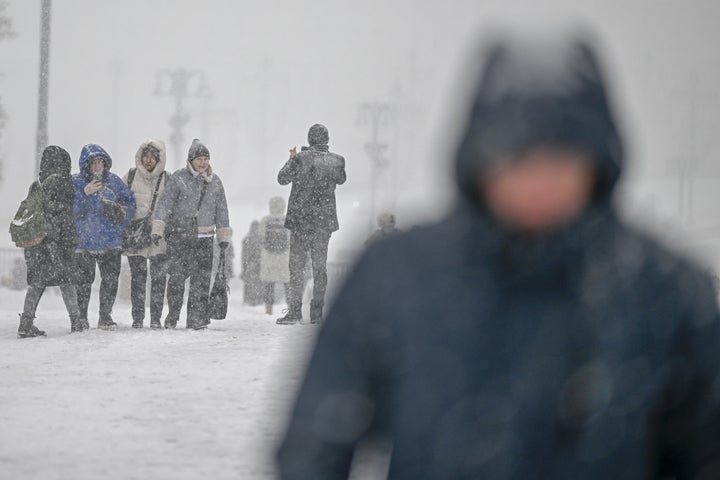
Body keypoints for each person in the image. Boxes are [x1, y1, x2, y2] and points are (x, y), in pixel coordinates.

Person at [276, 33, 720, 478]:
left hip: (306, 224)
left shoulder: (667, 294)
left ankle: (299, 305)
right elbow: (316, 441)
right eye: (517, 155)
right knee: (314, 268)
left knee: (304, 270)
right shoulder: (397, 277)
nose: (538, 179)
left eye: (561, 156)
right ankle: (305, 305)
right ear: (479, 157)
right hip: (323, 227)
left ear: (597, 160)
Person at [151, 138, 231, 330]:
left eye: (206, 158)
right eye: (200, 158)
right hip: (180, 236)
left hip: (205, 237)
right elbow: (165, 205)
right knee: (177, 279)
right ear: (190, 160)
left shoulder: (215, 182)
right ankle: (173, 316)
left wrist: (223, 236)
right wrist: (158, 229)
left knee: (201, 280)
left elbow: (222, 210)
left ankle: (196, 319)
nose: (203, 162)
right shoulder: (178, 178)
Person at [276, 124, 346, 325]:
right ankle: (317, 313)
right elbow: (341, 180)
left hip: (300, 222)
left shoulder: (299, 159)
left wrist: (292, 158)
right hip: (323, 222)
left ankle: (295, 311)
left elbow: (282, 179)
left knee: (296, 268)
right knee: (319, 268)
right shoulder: (337, 161)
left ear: (309, 139)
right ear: (327, 139)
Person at [17, 146, 86, 337]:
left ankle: (26, 322)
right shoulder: (65, 184)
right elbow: (64, 216)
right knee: (67, 281)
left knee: (37, 283)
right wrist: (68, 239)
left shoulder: (36, 185)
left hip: (37, 242)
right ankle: (76, 321)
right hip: (58, 242)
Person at [73, 144, 135, 330]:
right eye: (93, 163)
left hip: (110, 242)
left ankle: (105, 317)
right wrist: (85, 193)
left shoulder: (114, 182)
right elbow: (70, 210)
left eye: (101, 162)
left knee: (110, 281)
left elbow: (129, 203)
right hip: (84, 243)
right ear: (86, 165)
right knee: (83, 283)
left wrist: (121, 218)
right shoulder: (76, 182)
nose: (98, 166)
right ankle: (81, 317)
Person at [122, 140, 169, 329]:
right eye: (146, 156)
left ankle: (156, 318)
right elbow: (120, 201)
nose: (149, 160)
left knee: (158, 279)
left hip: (159, 238)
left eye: (153, 157)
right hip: (137, 236)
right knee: (138, 279)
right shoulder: (131, 177)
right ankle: (138, 318)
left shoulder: (167, 179)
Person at [259, 196, 291, 316]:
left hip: (269, 258)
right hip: (284, 258)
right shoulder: (287, 219)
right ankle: (290, 309)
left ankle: (268, 310)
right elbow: (291, 238)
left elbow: (261, 237)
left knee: (269, 284)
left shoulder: (265, 220)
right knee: (288, 285)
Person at [240, 221, 264, 306]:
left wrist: (244, 266)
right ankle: (256, 299)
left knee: (251, 282)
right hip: (257, 262)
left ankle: (250, 299)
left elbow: (244, 254)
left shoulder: (247, 238)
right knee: (256, 282)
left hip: (251, 262)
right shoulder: (261, 238)